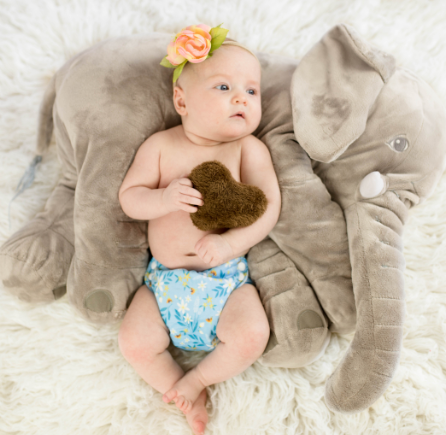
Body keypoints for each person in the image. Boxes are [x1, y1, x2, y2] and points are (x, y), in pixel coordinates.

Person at [117, 24, 281, 434]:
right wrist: (163, 199)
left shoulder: (248, 149)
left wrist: (230, 245)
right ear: (181, 99)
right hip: (162, 286)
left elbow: (269, 206)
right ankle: (180, 390)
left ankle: (198, 379)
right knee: (133, 342)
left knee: (252, 334)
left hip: (226, 283)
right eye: (223, 87)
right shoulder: (160, 146)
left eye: (252, 90)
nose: (242, 97)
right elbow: (129, 197)